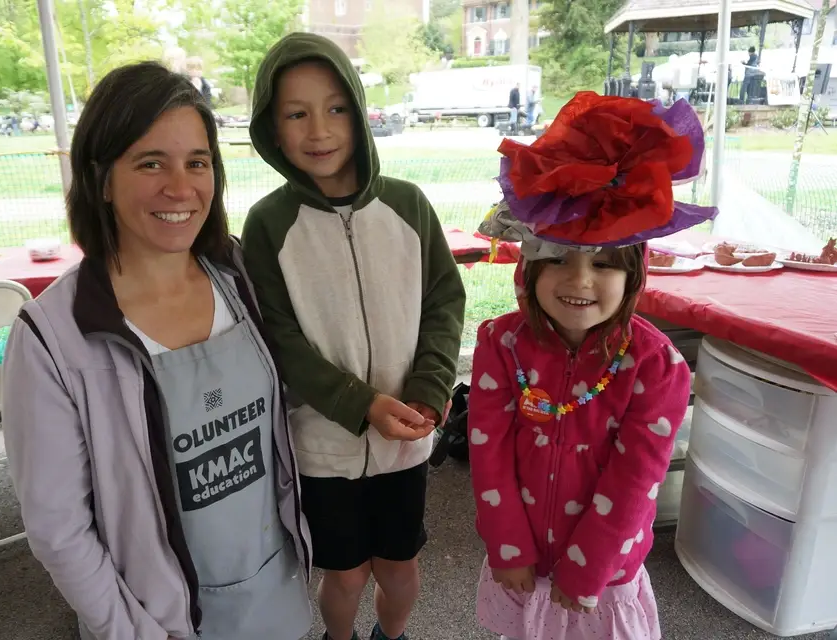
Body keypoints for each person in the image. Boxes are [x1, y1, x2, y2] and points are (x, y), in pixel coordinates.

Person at [1, 61, 312, 640]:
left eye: (198, 162)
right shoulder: (54, 337)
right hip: (159, 622)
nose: (181, 187)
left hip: (275, 596)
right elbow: (58, 529)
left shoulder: (238, 275)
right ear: (100, 179)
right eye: (151, 163)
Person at [241, 32, 466, 640]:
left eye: (336, 108)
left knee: (400, 567)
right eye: (296, 113)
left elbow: (444, 298)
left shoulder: (409, 206)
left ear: (361, 113)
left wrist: (428, 390)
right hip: (323, 448)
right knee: (344, 577)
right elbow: (277, 336)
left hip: (405, 442)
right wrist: (359, 404)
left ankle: (391, 637)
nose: (319, 130)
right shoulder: (268, 225)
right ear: (273, 127)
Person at [470, 92, 717, 640]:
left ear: (634, 275)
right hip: (522, 558)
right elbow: (487, 454)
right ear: (529, 268)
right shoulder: (500, 344)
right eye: (557, 258)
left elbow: (635, 481)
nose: (579, 281)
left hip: (602, 573)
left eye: (604, 264)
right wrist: (506, 546)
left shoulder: (656, 366)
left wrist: (588, 568)